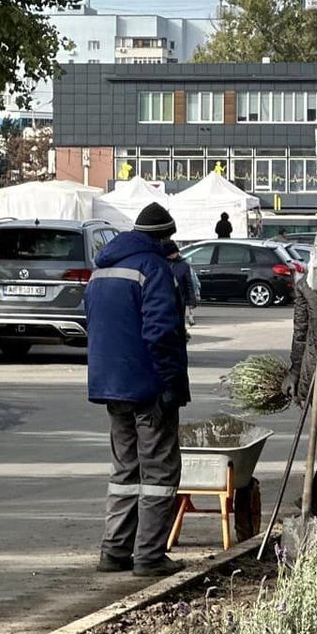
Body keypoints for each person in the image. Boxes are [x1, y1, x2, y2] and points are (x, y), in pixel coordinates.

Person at [86, 202, 189, 579]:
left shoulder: (103, 269)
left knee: (124, 472)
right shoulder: (153, 269)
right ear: (162, 236)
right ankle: (149, 556)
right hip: (148, 385)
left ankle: (114, 551)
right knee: (160, 473)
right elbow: (162, 332)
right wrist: (171, 385)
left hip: (110, 385)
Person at [165, 242, 200, 327]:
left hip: (180, 299)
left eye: (174, 253)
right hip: (164, 299)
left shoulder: (183, 265)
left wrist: (191, 301)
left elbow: (189, 284)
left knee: (179, 323)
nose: (172, 255)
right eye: (170, 253)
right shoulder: (161, 263)